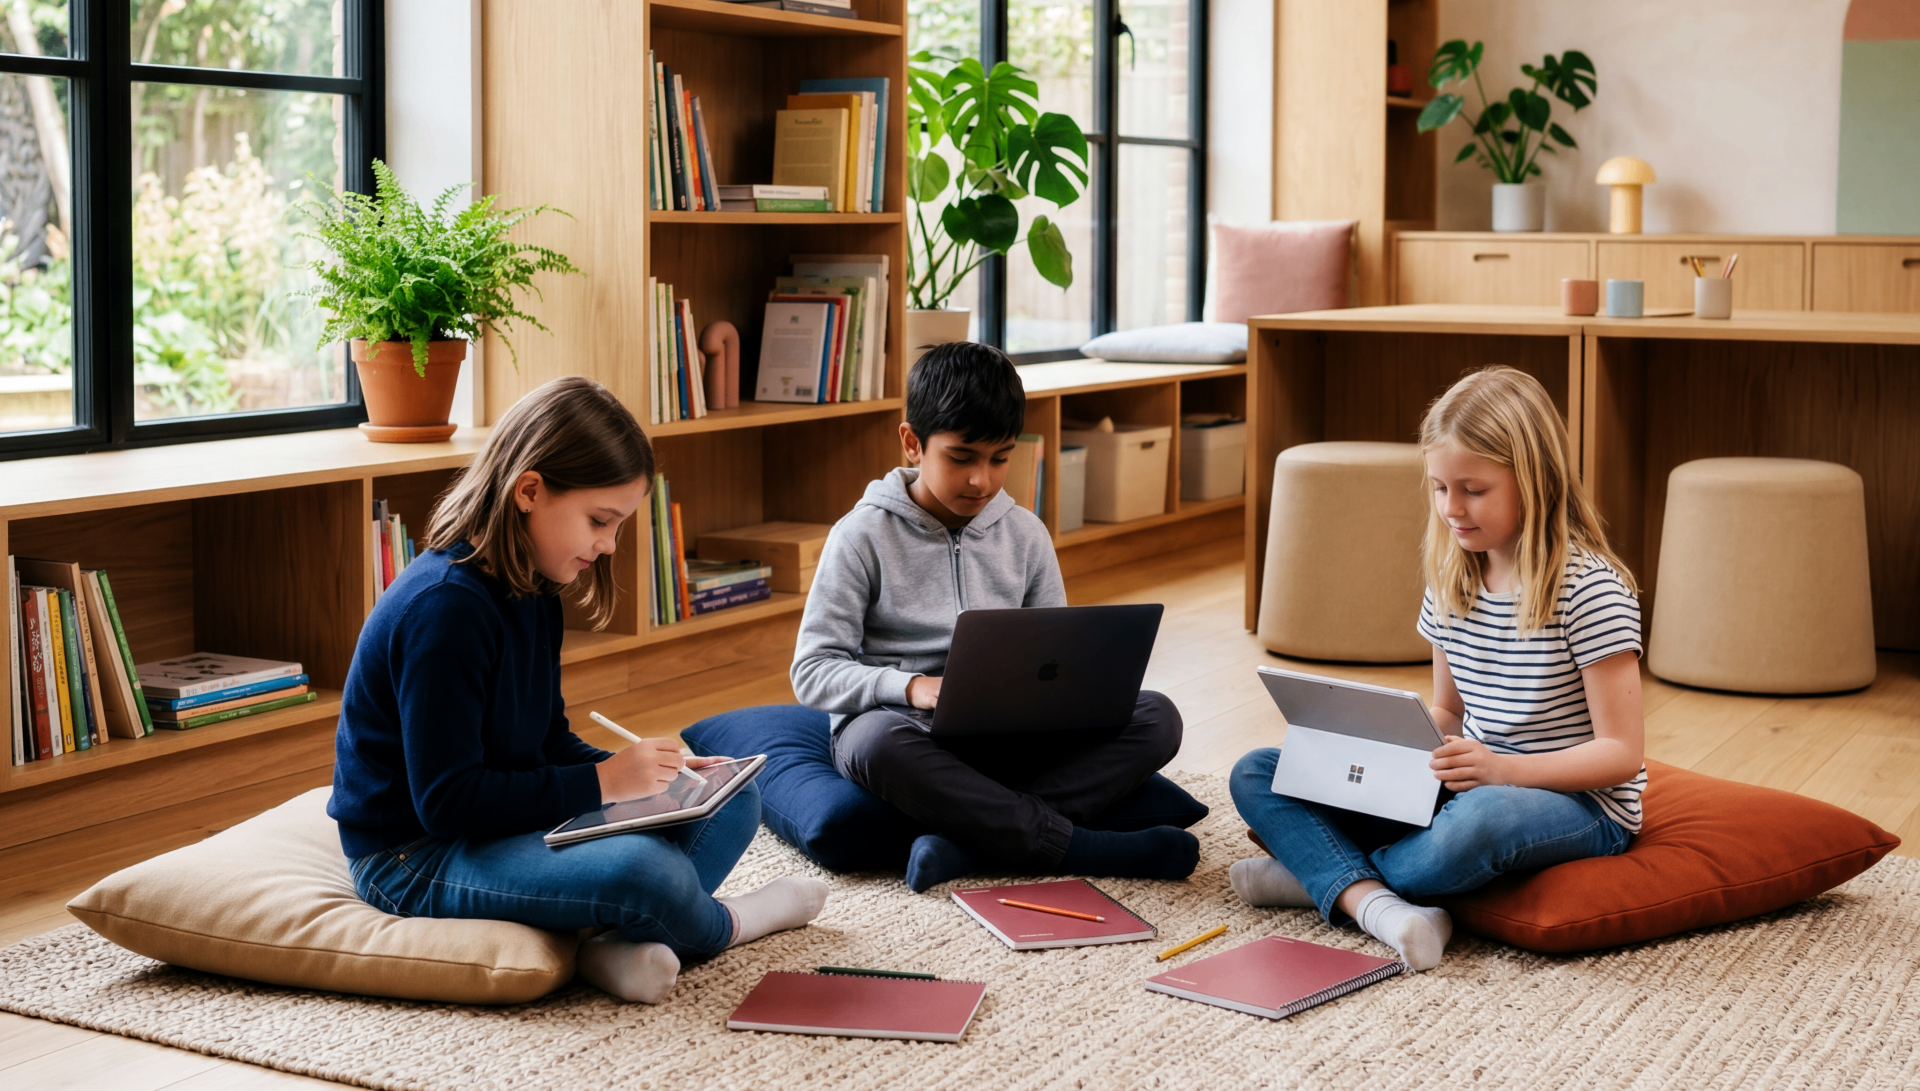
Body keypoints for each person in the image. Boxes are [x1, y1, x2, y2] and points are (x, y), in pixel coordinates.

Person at [330, 376, 827, 1004]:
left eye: (618, 525)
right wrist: (605, 782)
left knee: (731, 798)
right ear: (529, 491)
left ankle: (606, 945)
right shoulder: (444, 611)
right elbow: (446, 803)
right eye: (599, 520)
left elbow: (545, 740)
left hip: (494, 825)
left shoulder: (535, 586)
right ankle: (727, 924)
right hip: (415, 856)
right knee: (645, 871)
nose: (609, 544)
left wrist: (652, 775)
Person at [1229, 366, 1646, 971]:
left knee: (1482, 820)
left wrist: (1503, 769)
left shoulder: (1591, 591)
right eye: (1440, 487)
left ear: (1535, 479)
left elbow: (1622, 753)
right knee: (1260, 770)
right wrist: (1389, 748)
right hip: (1471, 779)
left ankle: (1325, 878)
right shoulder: (1453, 578)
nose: (1452, 508)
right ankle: (1375, 899)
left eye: (1473, 489)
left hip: (1576, 803)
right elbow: (1449, 711)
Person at [792, 341, 1199, 893]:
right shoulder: (860, 536)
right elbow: (812, 670)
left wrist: (1071, 697)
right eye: (961, 457)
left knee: (1158, 716)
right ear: (912, 442)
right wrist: (910, 687)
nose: (981, 481)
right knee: (873, 743)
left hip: (1011, 738)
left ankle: (968, 843)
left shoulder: (1026, 534)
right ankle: (1079, 846)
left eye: (1000, 458)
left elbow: (1058, 655)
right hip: (908, 731)